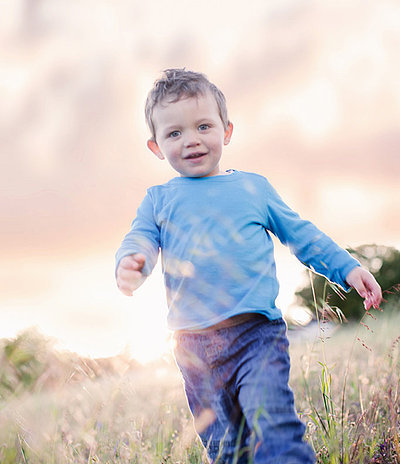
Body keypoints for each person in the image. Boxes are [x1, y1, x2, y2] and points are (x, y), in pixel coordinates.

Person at [115, 68, 382, 464]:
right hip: (193, 349)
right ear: (156, 147)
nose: (191, 140)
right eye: (175, 134)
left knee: (273, 426)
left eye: (203, 126)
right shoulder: (158, 200)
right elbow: (140, 240)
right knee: (226, 449)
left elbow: (302, 234)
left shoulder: (253, 188)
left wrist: (347, 268)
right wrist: (132, 263)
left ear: (226, 130)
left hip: (256, 336)